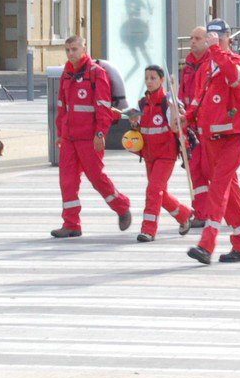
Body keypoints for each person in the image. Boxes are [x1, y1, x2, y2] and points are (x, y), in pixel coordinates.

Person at [185, 19, 240, 263]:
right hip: (210, 138)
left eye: (218, 37)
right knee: (229, 191)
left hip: (233, 136)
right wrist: (185, 119)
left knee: (218, 189)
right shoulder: (205, 69)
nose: (213, 41)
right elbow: (198, 99)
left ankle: (207, 243)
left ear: (228, 39)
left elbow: (236, 80)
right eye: (210, 38)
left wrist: (216, 51)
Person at [51, 35, 131, 238]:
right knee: (67, 181)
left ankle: (121, 207)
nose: (70, 54)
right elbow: (62, 106)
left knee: (97, 178)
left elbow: (103, 108)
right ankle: (71, 224)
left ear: (84, 48)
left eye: (74, 49)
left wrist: (100, 134)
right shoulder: (66, 74)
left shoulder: (97, 73)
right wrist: (60, 133)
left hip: (89, 138)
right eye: (67, 50)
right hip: (69, 138)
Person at [133, 65, 193, 242]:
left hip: (166, 155)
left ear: (161, 80)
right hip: (149, 155)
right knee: (160, 193)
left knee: (153, 190)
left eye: (153, 78)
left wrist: (185, 149)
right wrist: (134, 124)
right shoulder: (142, 104)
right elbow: (141, 129)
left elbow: (179, 126)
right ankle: (184, 215)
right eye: (147, 78)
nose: (149, 81)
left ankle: (148, 230)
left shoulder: (168, 101)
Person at [178, 26, 213, 225]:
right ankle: (201, 212)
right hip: (190, 124)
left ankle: (232, 195)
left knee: (211, 169)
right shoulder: (189, 65)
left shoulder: (210, 64)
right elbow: (183, 94)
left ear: (207, 41)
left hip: (207, 124)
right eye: (191, 38)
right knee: (195, 169)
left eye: (197, 38)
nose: (192, 41)